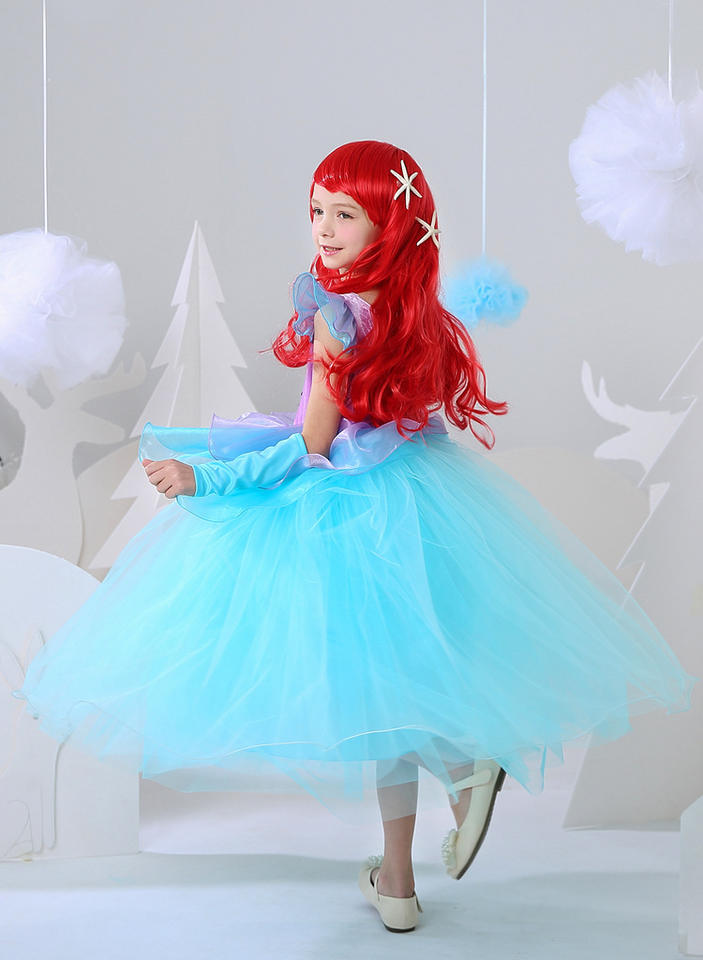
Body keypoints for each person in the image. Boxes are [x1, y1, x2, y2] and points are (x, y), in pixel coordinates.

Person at [14, 139, 698, 934]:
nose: (323, 228)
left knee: (378, 696)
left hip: (350, 510)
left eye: (345, 214)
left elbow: (312, 442)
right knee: (395, 691)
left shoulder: (337, 317)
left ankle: (436, 814)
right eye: (316, 210)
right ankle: (412, 856)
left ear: (390, 224)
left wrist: (210, 479)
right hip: (424, 498)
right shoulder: (419, 316)